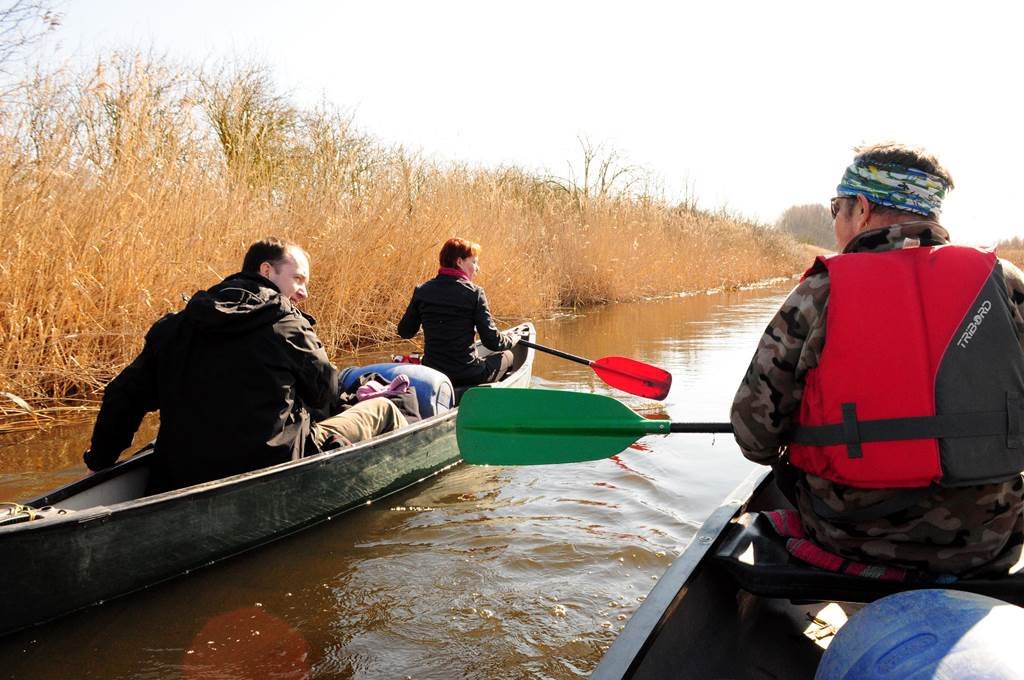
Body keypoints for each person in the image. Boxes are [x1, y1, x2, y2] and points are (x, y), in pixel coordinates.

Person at [731, 142, 1024, 578]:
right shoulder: (1006, 285)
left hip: (846, 539)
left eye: (836, 209)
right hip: (987, 541)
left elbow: (754, 438)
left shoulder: (820, 294)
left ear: (862, 209)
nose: (835, 223)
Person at [85, 237, 407, 492]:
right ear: (266, 271)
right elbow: (325, 392)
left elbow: (122, 397)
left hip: (180, 475)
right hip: (272, 470)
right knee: (385, 411)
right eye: (297, 279)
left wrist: (99, 463)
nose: (304, 292)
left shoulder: (176, 327)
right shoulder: (288, 325)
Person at [397, 237, 519, 386]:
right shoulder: (475, 293)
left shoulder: (422, 291)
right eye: (474, 262)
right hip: (468, 374)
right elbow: (492, 341)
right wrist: (512, 339)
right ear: (459, 262)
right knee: (508, 356)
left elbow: (405, 332)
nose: (477, 268)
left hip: (433, 375)